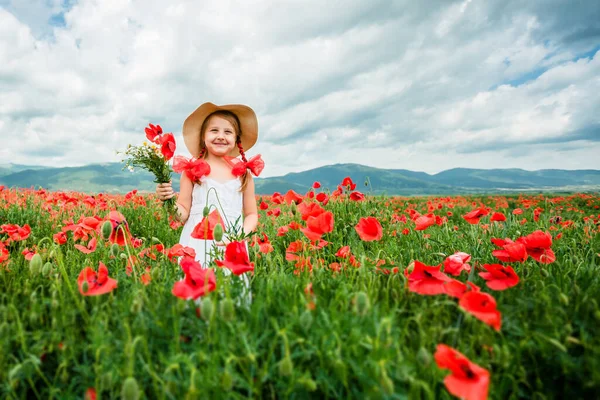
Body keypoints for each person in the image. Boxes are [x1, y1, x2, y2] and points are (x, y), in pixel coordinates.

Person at [156, 102, 262, 305]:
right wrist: (168, 199)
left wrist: (239, 235)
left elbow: (252, 215)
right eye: (214, 130)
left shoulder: (243, 173)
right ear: (203, 137)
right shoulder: (191, 171)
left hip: (232, 242)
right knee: (197, 296)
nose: (221, 136)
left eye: (228, 132)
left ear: (236, 139)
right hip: (197, 242)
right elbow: (183, 213)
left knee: (230, 296)